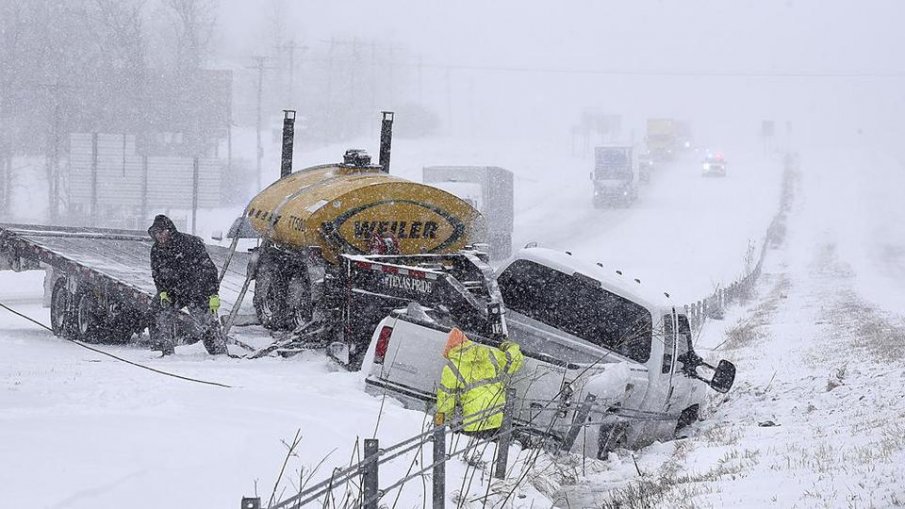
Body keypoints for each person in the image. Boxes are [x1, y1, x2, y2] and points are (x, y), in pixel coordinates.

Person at [147, 214, 226, 356]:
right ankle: (164, 351)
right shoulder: (156, 250)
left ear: (170, 230)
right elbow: (157, 274)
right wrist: (162, 291)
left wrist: (213, 294)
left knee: (206, 323)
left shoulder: (190, 243)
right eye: (156, 233)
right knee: (156, 311)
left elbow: (209, 270)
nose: (160, 237)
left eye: (162, 232)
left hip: (197, 290)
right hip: (173, 292)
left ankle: (219, 353)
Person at [434, 328, 524, 440]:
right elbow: (515, 359)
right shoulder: (490, 354)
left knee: (477, 451)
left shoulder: (451, 367)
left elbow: (445, 400)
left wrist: (439, 424)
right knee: (496, 453)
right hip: (497, 418)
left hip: (473, 423)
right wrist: (507, 345)